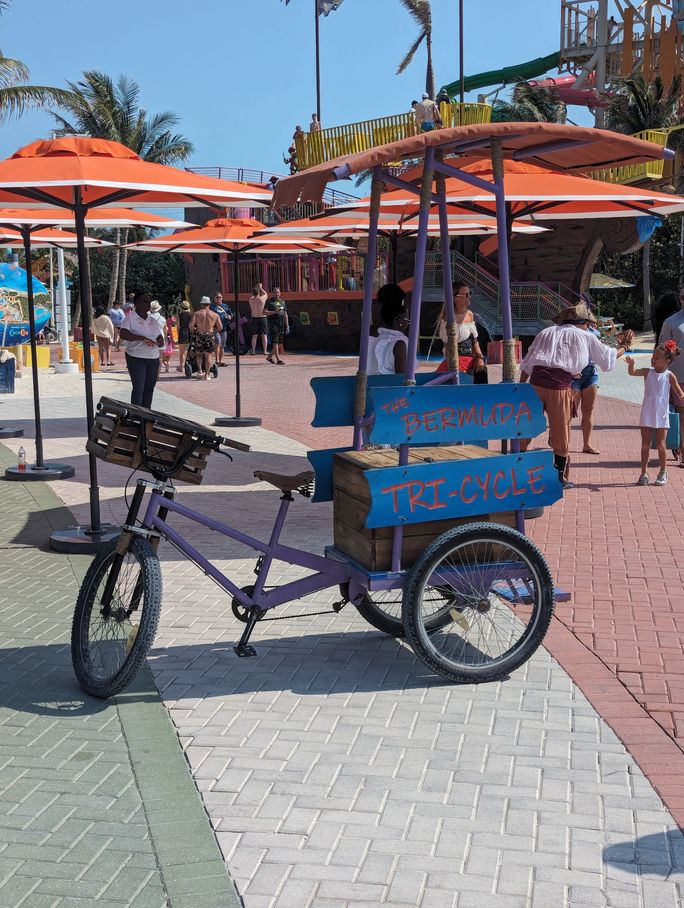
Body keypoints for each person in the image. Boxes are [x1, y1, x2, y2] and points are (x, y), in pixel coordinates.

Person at [519, 303, 633, 489]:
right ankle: (559, 478)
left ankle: (520, 469)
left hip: (535, 385)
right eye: (588, 324)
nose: (589, 327)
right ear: (583, 323)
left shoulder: (545, 332)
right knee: (561, 432)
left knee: (526, 428)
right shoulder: (585, 336)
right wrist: (625, 346)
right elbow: (607, 358)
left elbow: (527, 363)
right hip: (559, 387)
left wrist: (521, 388)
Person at [626, 340, 684, 486]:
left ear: (666, 361)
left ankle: (663, 472)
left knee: (661, 445)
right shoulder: (648, 372)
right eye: (653, 357)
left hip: (662, 413)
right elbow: (632, 373)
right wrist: (631, 365)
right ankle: (643, 473)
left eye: (656, 358)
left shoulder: (669, 375)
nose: (653, 359)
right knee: (645, 444)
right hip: (647, 411)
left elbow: (678, 390)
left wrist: (681, 395)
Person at [119, 292, 164, 407]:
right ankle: (136, 416)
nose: (147, 304)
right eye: (144, 301)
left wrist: (159, 341)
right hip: (136, 358)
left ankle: (146, 415)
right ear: (136, 304)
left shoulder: (152, 320)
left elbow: (160, 337)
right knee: (139, 388)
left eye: (148, 301)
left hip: (153, 358)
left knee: (149, 388)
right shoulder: (129, 319)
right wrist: (142, 338)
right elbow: (123, 334)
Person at [436, 282, 487, 382]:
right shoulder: (448, 318)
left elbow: (474, 341)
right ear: (455, 298)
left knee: (481, 374)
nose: (469, 297)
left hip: (471, 360)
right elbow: (447, 346)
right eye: (465, 295)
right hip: (454, 361)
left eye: (469, 293)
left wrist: (480, 358)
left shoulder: (470, 314)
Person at [658, 285, 684, 461]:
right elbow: (662, 350)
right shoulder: (671, 322)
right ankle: (681, 448)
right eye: (683, 297)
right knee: (682, 415)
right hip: (678, 376)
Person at [367, 284, 409, 375]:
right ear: (400, 321)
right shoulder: (399, 344)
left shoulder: (373, 340)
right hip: (389, 388)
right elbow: (403, 381)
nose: (408, 323)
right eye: (407, 319)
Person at [189, 296, 222, 380]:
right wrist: (213, 330)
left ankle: (200, 371)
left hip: (200, 334)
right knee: (208, 355)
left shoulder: (197, 314)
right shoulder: (214, 315)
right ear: (209, 304)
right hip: (209, 334)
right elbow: (220, 327)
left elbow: (191, 326)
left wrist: (194, 330)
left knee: (199, 354)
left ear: (202, 304)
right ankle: (207, 375)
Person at [265, 287, 289, 365]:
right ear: (273, 293)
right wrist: (274, 312)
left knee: (278, 343)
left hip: (281, 324)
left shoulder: (282, 302)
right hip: (273, 324)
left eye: (278, 292)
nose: (277, 294)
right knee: (275, 342)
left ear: (280, 293)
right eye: (275, 292)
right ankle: (278, 360)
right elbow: (264, 312)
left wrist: (287, 325)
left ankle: (269, 357)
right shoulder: (269, 302)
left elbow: (285, 314)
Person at [248, 282, 269, 355]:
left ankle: (253, 351)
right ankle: (265, 351)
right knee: (264, 335)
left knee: (254, 335)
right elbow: (266, 294)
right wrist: (260, 288)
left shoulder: (250, 299)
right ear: (259, 292)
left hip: (254, 317)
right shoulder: (262, 299)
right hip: (262, 318)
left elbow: (253, 296)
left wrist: (257, 289)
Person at [210, 292, 230, 366]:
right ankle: (217, 360)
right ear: (214, 298)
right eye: (217, 297)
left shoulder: (225, 306)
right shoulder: (212, 307)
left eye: (220, 297)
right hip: (215, 328)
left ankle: (220, 361)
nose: (219, 299)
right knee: (218, 342)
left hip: (224, 328)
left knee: (222, 345)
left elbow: (230, 314)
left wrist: (229, 317)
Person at [176, 300, 193, 372]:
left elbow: (178, 326)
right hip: (189, 332)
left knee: (181, 352)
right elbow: (192, 326)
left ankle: (181, 366)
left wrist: (178, 335)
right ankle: (189, 364)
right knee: (191, 350)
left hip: (182, 332)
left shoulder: (179, 315)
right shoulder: (191, 315)